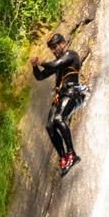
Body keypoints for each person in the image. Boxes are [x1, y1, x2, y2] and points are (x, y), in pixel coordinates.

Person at [30, 33, 87, 176]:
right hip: (61, 97)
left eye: (55, 47)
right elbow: (40, 76)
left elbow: (55, 64)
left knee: (58, 119)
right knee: (49, 125)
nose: (53, 51)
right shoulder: (58, 63)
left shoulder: (71, 55)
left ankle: (72, 154)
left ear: (63, 44)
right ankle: (63, 158)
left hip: (73, 93)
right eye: (51, 49)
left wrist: (42, 62)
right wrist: (35, 66)